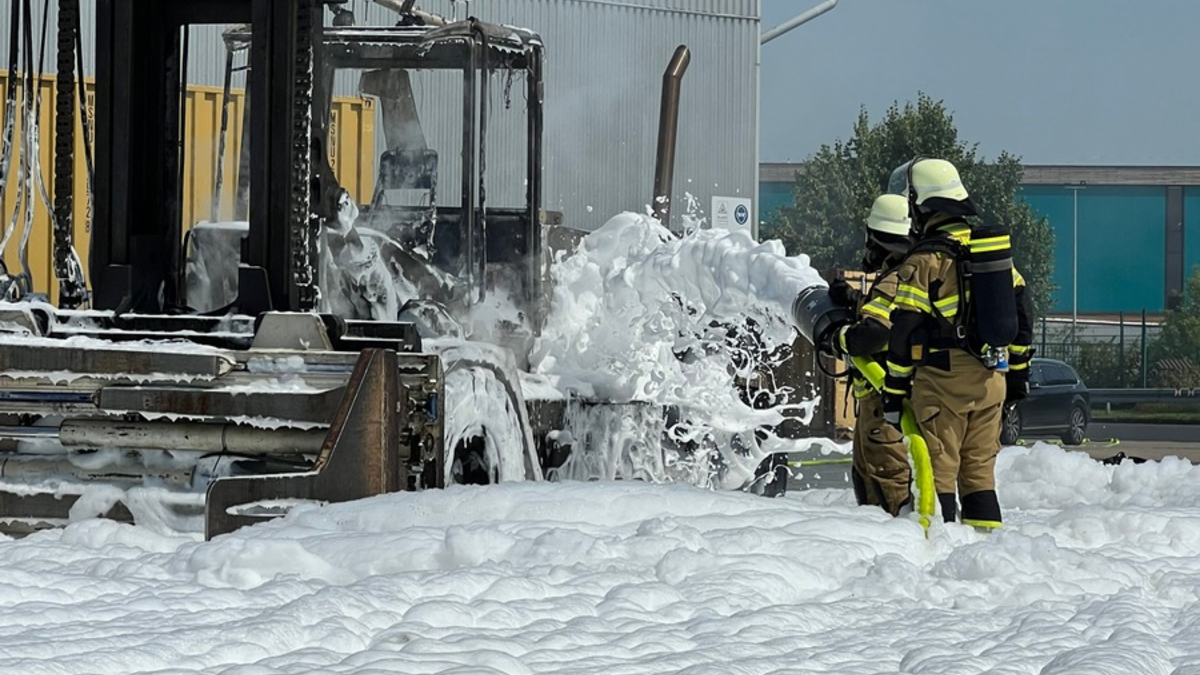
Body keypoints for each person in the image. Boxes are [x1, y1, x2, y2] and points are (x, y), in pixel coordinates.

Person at [880, 157, 1031, 530]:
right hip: (990, 381)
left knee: (938, 473)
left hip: (943, 386)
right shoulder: (992, 256)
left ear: (922, 205)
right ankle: (987, 551)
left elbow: (904, 331)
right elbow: (1023, 319)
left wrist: (893, 390)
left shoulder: (925, 261)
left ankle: (939, 558)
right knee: (980, 476)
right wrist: (1015, 377)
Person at [825, 193, 913, 515]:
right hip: (875, 404)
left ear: (878, 238)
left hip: (887, 406)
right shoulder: (901, 273)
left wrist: (840, 338)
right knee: (867, 480)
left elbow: (873, 335)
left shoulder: (899, 277)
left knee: (887, 484)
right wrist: (853, 300)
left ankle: (901, 550)